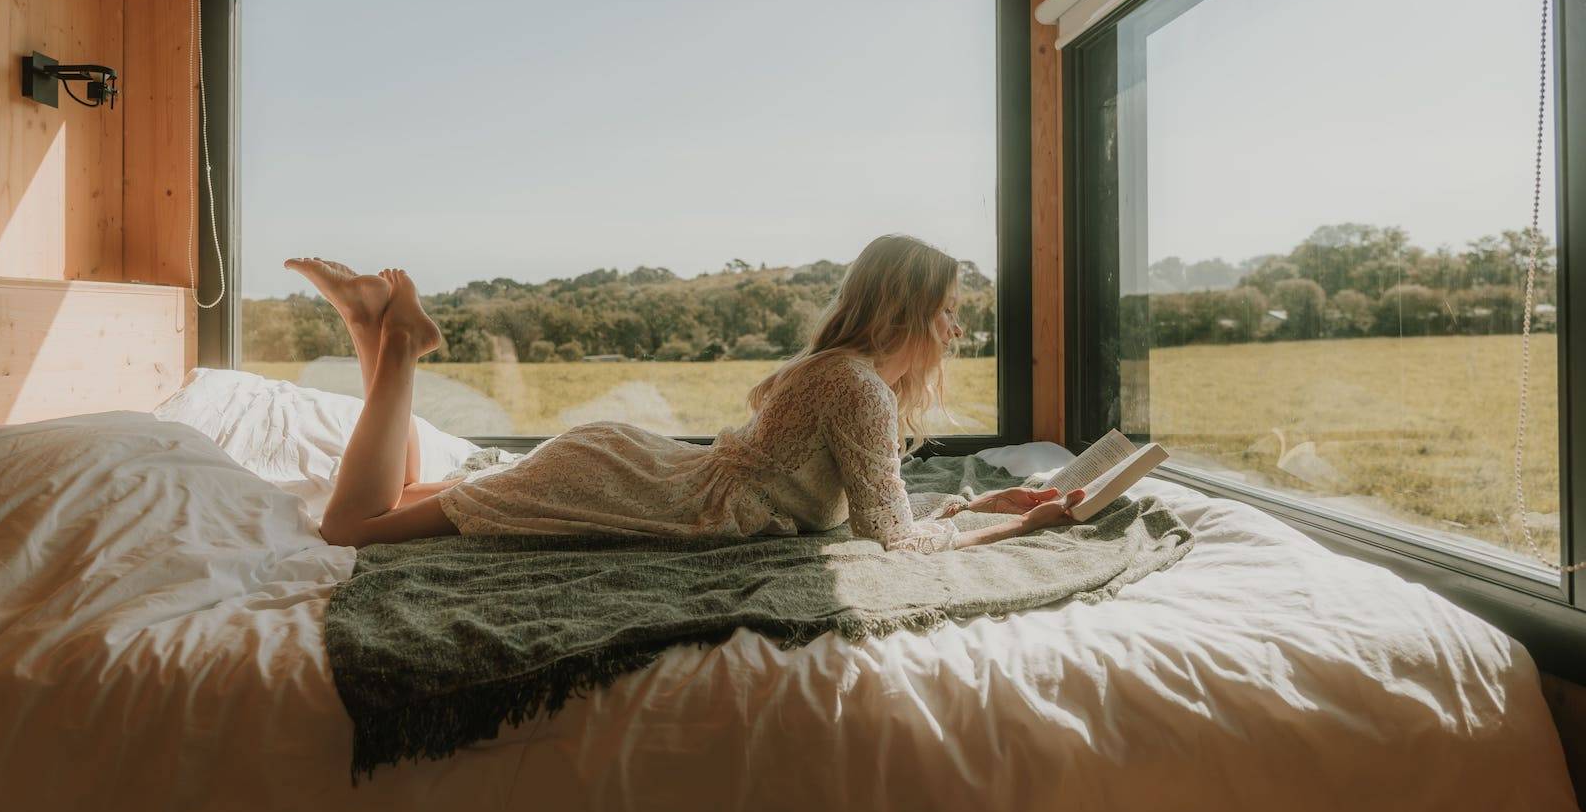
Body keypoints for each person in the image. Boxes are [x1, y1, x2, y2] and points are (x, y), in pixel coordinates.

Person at [285, 234, 1083, 551]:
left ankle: (372, 329)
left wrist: (979, 509)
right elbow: (893, 543)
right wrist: (1018, 531)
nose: (955, 332)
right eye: (948, 313)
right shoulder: (861, 390)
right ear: (909, 311)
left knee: (411, 493)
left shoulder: (843, 375)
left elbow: (887, 516)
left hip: (635, 470)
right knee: (354, 526)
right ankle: (395, 343)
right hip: (627, 483)